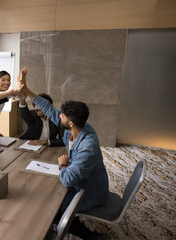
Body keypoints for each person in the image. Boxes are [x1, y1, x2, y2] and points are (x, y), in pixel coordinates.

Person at [20, 73, 108, 239]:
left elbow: (68, 179)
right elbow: (50, 109)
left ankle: (86, 236)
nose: (58, 115)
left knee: (52, 206)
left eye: (62, 115)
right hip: (82, 182)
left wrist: (63, 165)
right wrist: (27, 90)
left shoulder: (87, 148)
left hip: (90, 192)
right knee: (46, 195)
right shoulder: (80, 126)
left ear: (71, 123)